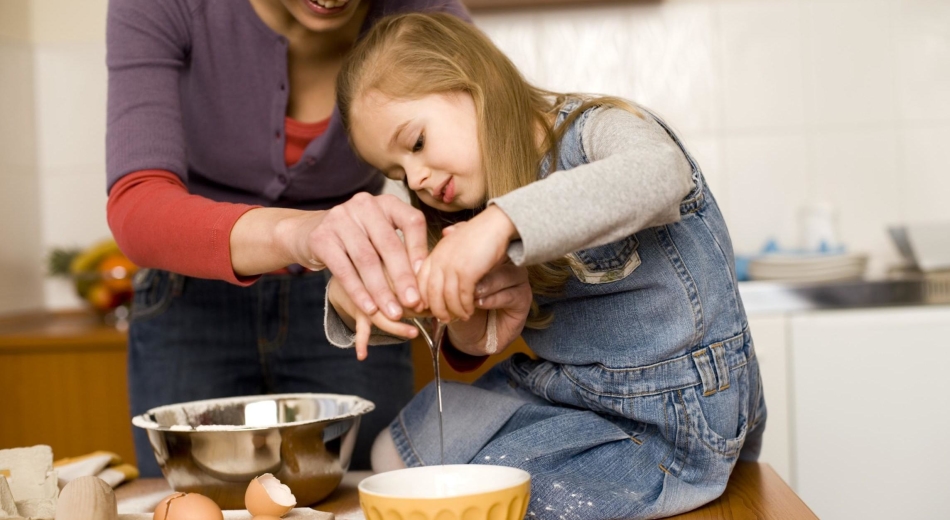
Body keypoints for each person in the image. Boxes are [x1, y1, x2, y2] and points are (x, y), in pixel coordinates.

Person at [326, 12, 767, 519]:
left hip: (671, 419)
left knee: (492, 490)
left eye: (417, 143)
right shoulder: (463, 204)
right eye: (397, 172)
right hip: (570, 392)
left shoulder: (596, 130)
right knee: (400, 446)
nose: (418, 178)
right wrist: (354, 292)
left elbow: (660, 173)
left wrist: (501, 223)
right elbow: (471, 339)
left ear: (473, 83)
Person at [104, 0, 473, 476]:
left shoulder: (424, 11)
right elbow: (138, 206)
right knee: (190, 501)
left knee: (369, 492)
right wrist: (305, 231)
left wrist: (459, 304)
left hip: (348, 299)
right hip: (189, 302)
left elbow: (484, 166)